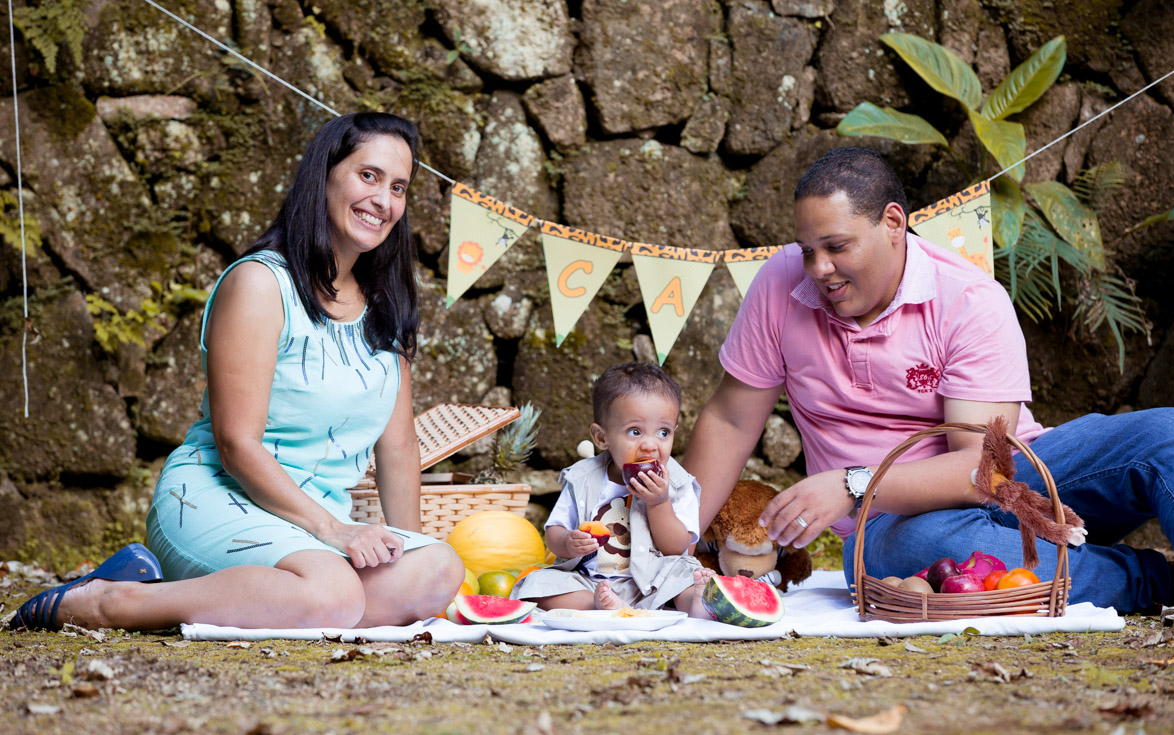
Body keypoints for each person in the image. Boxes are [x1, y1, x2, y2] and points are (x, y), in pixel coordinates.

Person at [683, 146, 1174, 615]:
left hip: (1021, 482)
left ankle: (1065, 563)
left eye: (836, 246)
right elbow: (731, 418)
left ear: (892, 222)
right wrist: (667, 544)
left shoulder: (969, 298)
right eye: (806, 250)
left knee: (1173, 433)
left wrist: (853, 484)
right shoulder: (780, 283)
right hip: (891, 522)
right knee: (902, 552)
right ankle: (1164, 580)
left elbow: (986, 470)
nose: (819, 268)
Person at [11, 113, 464, 632]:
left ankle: (282, 599)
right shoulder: (260, 285)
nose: (384, 201)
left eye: (399, 187)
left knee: (439, 568)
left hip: (319, 532)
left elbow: (399, 446)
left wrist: (405, 551)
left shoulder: (387, 305)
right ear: (325, 175)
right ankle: (110, 602)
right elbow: (236, 444)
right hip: (217, 500)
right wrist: (336, 531)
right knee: (332, 594)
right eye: (369, 176)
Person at [512, 363, 716, 617]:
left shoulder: (677, 483)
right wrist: (567, 542)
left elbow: (676, 548)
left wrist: (659, 503)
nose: (650, 445)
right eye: (635, 431)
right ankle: (596, 605)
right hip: (592, 582)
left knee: (684, 575)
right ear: (601, 438)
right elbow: (554, 532)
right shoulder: (582, 478)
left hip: (655, 581)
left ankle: (695, 602)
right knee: (533, 587)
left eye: (663, 432)